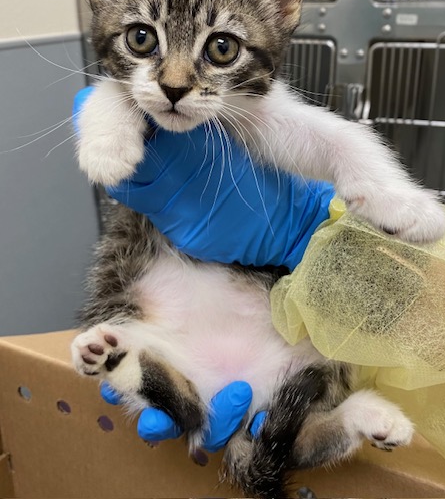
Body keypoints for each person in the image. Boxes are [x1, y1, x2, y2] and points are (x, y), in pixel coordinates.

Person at [74, 87, 336, 451]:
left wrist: (302, 222)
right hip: (190, 317)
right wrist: (111, 110)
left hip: (242, 319)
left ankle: (161, 384)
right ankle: (164, 385)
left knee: (313, 367)